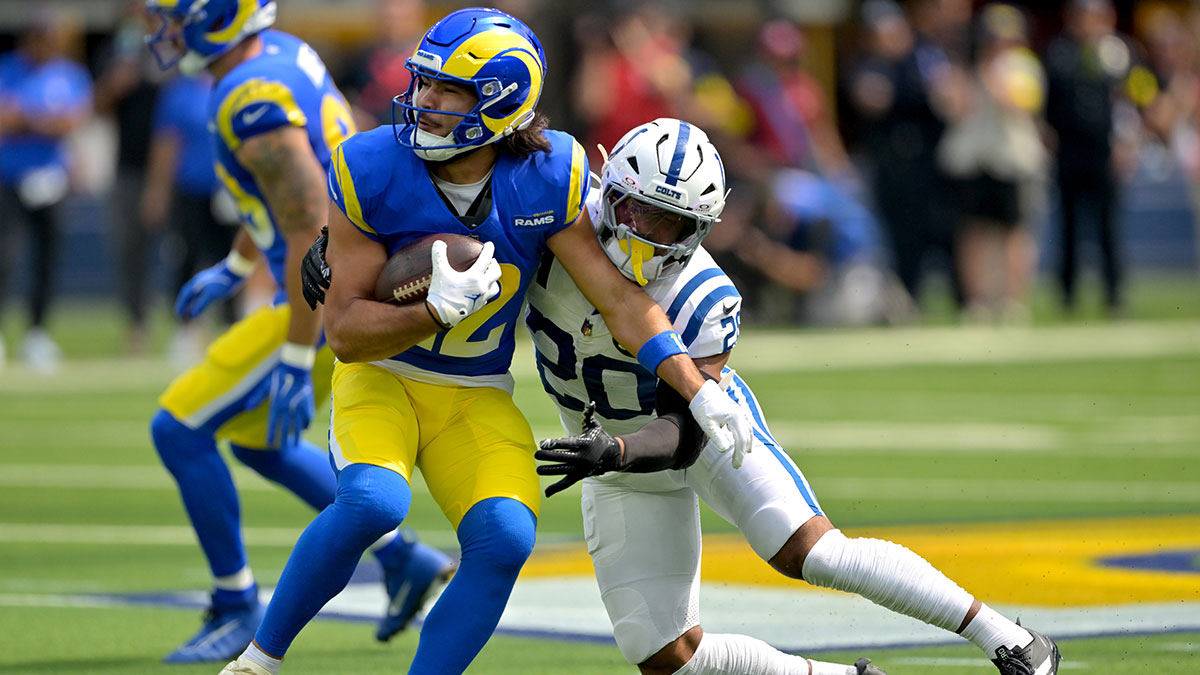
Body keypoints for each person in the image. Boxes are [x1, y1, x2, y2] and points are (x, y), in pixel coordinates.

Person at [219, 8, 753, 675]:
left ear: (499, 100)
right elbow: (347, 335)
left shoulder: (548, 174)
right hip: (383, 376)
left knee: (505, 536)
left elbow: (621, 299)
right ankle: (257, 661)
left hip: (474, 390)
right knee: (372, 503)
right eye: (422, 83)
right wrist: (430, 312)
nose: (423, 101)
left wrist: (696, 389)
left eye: (446, 89)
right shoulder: (371, 163)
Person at [531, 119, 1062, 675]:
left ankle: (1010, 639)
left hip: (708, 436)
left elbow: (684, 431)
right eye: (638, 210)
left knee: (811, 551)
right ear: (607, 188)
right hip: (615, 465)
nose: (647, 235)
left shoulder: (703, 295)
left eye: (672, 223)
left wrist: (614, 449)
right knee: (665, 655)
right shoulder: (553, 232)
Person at [142, 0, 452, 662]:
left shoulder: (247, 96)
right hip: (336, 276)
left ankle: (235, 602)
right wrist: (235, 263)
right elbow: (294, 189)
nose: (162, 28)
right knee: (261, 444)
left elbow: (310, 217)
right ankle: (403, 559)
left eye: (173, 14)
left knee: (178, 428)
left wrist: (291, 349)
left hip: (322, 294)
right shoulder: (276, 54)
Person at [1044, 0, 1154, 315]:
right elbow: (1049, 104)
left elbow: (1139, 100)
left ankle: (1114, 293)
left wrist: (1129, 143)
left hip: (1106, 150)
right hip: (1069, 149)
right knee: (1068, 225)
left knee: (1108, 226)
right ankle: (1067, 295)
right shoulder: (1060, 53)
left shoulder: (1123, 52)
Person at [0, 9, 92, 373]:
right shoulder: (9, 68)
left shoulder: (69, 74)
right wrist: (42, 120)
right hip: (8, 179)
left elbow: (73, 120)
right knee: (4, 259)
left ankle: (36, 334)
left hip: (50, 181)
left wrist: (27, 119)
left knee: (46, 262)